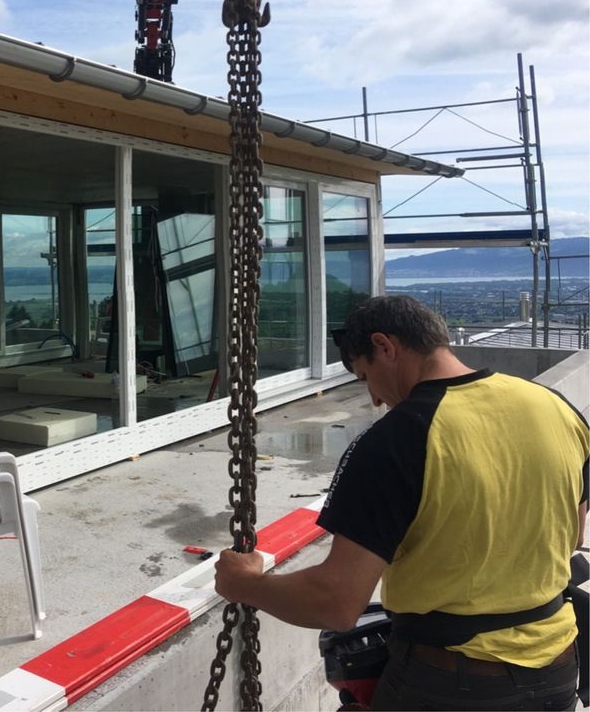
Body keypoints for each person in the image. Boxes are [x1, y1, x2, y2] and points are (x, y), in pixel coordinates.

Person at [214, 295, 588, 711]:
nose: (373, 398)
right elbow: (571, 536)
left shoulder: (396, 439)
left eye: (364, 375)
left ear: (385, 347)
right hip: (557, 669)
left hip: (450, 683)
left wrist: (245, 584)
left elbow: (336, 603)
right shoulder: (555, 407)